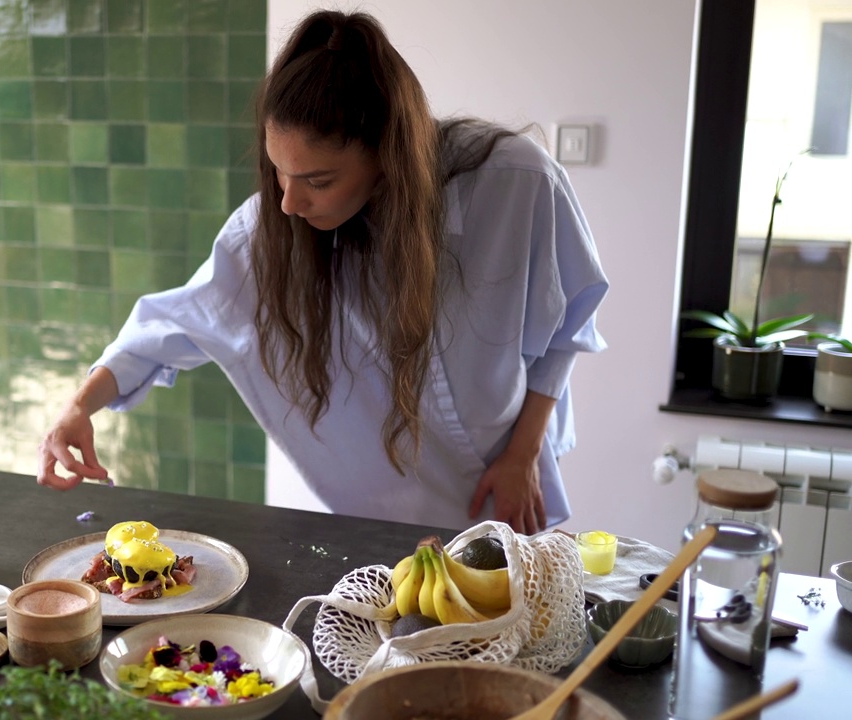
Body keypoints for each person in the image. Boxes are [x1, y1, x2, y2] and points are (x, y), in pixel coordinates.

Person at [37, 10, 607, 535]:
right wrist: (78, 406)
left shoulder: (516, 184)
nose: (289, 202)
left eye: (318, 180)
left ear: (388, 155)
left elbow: (569, 324)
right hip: (379, 514)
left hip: (506, 481)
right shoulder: (271, 226)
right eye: (280, 172)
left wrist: (523, 453)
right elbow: (171, 324)